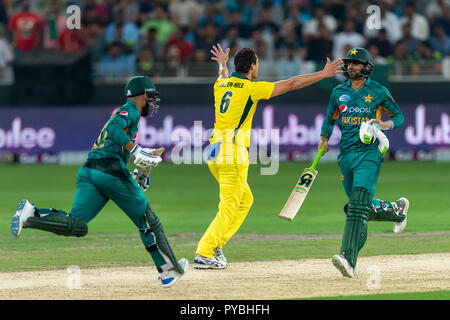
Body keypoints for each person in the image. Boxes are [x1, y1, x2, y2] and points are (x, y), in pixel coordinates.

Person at [10, 76, 189, 288]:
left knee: (78, 225)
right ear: (143, 95)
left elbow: (114, 143)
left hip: (90, 170)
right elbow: (114, 130)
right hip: (108, 170)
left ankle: (31, 215)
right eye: (151, 97)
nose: (152, 102)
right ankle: (167, 270)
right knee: (148, 220)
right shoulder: (130, 109)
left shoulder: (129, 113)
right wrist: (136, 150)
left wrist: (134, 173)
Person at [194, 44, 343, 269]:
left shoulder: (221, 85)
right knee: (229, 206)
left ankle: (215, 246)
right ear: (253, 66)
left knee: (244, 201)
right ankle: (204, 252)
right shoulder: (251, 89)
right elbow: (292, 84)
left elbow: (223, 77)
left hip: (214, 152)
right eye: (258, 64)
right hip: (232, 154)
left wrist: (222, 65)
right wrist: (323, 74)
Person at [318, 47, 409, 278]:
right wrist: (323, 138)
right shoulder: (338, 92)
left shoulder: (378, 91)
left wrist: (383, 125)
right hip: (345, 155)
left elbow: (398, 116)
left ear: (367, 67)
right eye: (349, 63)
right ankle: (396, 209)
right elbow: (329, 119)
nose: (351, 67)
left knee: (357, 207)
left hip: (369, 153)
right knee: (358, 206)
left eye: (356, 63)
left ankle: (348, 260)